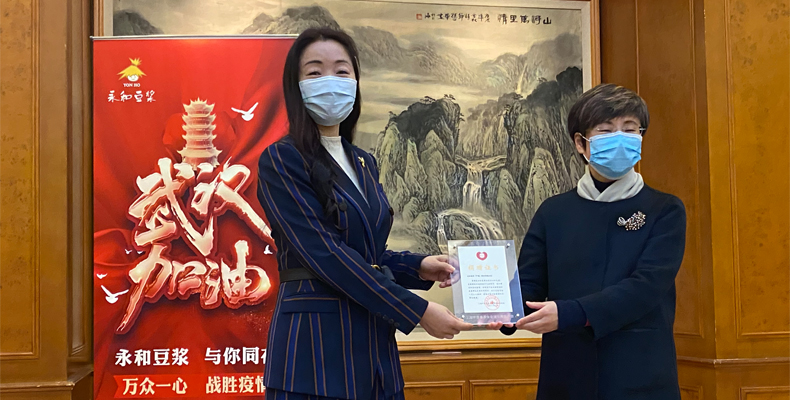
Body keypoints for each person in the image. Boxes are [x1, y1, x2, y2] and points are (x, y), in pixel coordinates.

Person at [256, 28, 473, 400]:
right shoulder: (282, 159)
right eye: (315, 72)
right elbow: (326, 254)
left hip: (374, 354)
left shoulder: (363, 161)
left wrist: (418, 266)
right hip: (314, 359)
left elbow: (367, 252)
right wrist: (417, 311)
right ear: (296, 85)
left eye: (342, 71)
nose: (330, 81)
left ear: (355, 83)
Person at [489, 84, 687, 399]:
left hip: (640, 375)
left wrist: (571, 313)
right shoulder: (553, 211)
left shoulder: (665, 209)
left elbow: (646, 287)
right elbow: (529, 283)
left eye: (630, 129)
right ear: (580, 143)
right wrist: (500, 310)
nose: (620, 138)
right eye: (606, 130)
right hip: (566, 376)